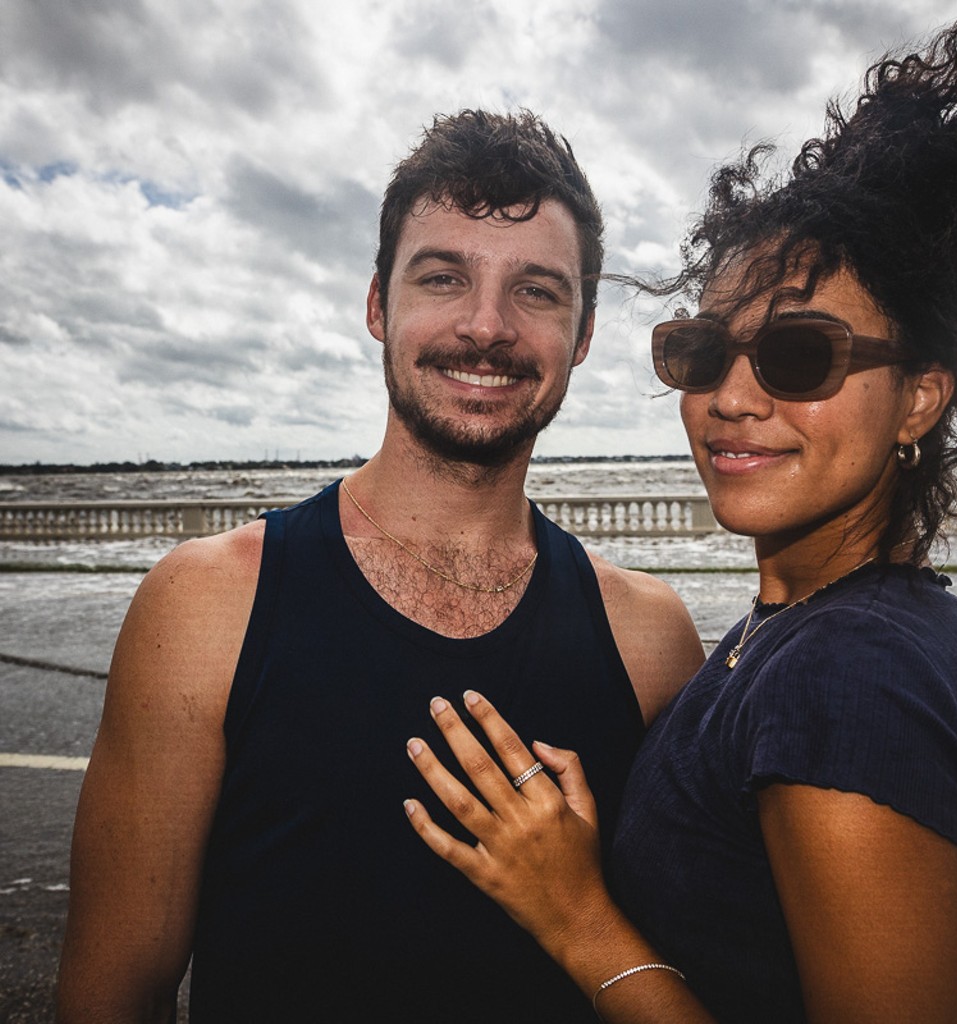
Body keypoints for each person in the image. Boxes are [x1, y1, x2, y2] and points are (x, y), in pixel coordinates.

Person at [402, 18, 957, 1023]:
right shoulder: (803, 629)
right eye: (700, 352)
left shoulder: (849, 671)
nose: (731, 397)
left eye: (798, 356)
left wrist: (573, 911)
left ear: (916, 396)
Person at [55, 110, 705, 1023]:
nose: (486, 328)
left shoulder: (650, 636)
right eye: (444, 277)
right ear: (377, 306)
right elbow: (114, 993)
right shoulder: (208, 604)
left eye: (538, 292)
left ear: (584, 336)